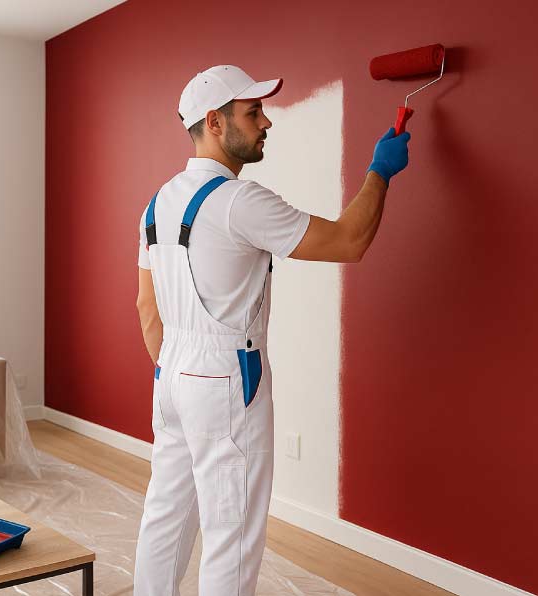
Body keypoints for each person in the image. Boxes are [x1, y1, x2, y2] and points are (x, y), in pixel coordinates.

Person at [132, 65, 410, 595]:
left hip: (171, 375)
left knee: (166, 516)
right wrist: (380, 171)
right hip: (225, 376)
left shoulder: (156, 205)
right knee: (231, 533)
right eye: (252, 112)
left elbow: (147, 306)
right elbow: (349, 241)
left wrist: (181, 374)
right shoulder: (241, 202)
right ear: (214, 123)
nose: (266, 123)